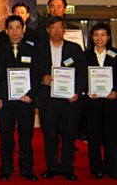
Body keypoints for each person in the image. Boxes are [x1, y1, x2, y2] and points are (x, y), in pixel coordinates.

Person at [35, 16, 86, 181]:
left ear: (64, 30)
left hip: (68, 100)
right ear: (48, 30)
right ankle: (51, 166)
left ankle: (67, 167)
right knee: (49, 135)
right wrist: (42, 79)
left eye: (59, 28)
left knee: (69, 134)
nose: (56, 31)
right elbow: (32, 73)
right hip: (47, 100)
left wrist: (77, 92)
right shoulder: (39, 49)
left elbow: (82, 74)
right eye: (53, 28)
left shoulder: (75, 49)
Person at [0, 16, 39, 181]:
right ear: (6, 31)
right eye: (11, 28)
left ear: (24, 29)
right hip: (5, 100)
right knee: (6, 135)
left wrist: (31, 96)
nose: (14, 31)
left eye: (18, 27)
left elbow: (37, 75)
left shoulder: (33, 49)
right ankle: (6, 168)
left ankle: (26, 169)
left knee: (26, 135)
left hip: (26, 100)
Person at [84, 23, 117, 179]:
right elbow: (82, 77)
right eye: (96, 35)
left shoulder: (116, 54)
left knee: (112, 135)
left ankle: (112, 167)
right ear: (92, 37)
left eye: (103, 35)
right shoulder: (86, 55)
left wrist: (116, 91)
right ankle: (96, 167)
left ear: (108, 37)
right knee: (94, 135)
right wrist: (87, 90)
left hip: (111, 102)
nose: (99, 38)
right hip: (93, 102)